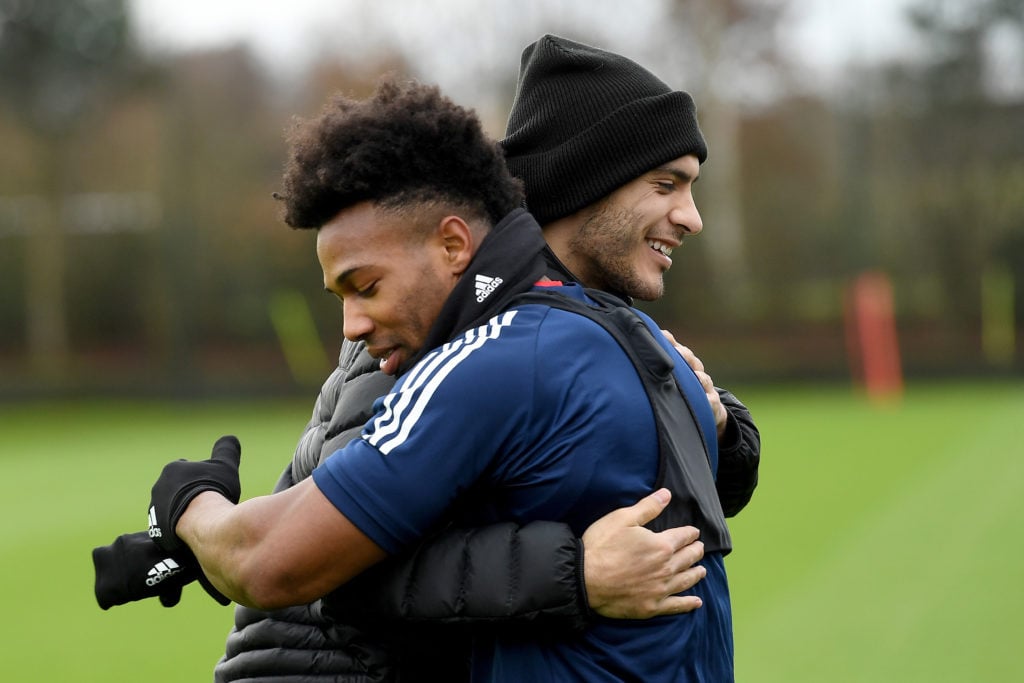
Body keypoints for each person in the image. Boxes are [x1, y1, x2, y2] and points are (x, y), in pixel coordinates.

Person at [130, 73, 736, 681]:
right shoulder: (622, 343)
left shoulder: (515, 351)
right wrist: (572, 570)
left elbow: (279, 563)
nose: (351, 327)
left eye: (365, 286)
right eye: (667, 185)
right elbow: (318, 563)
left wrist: (186, 504)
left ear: (454, 245)